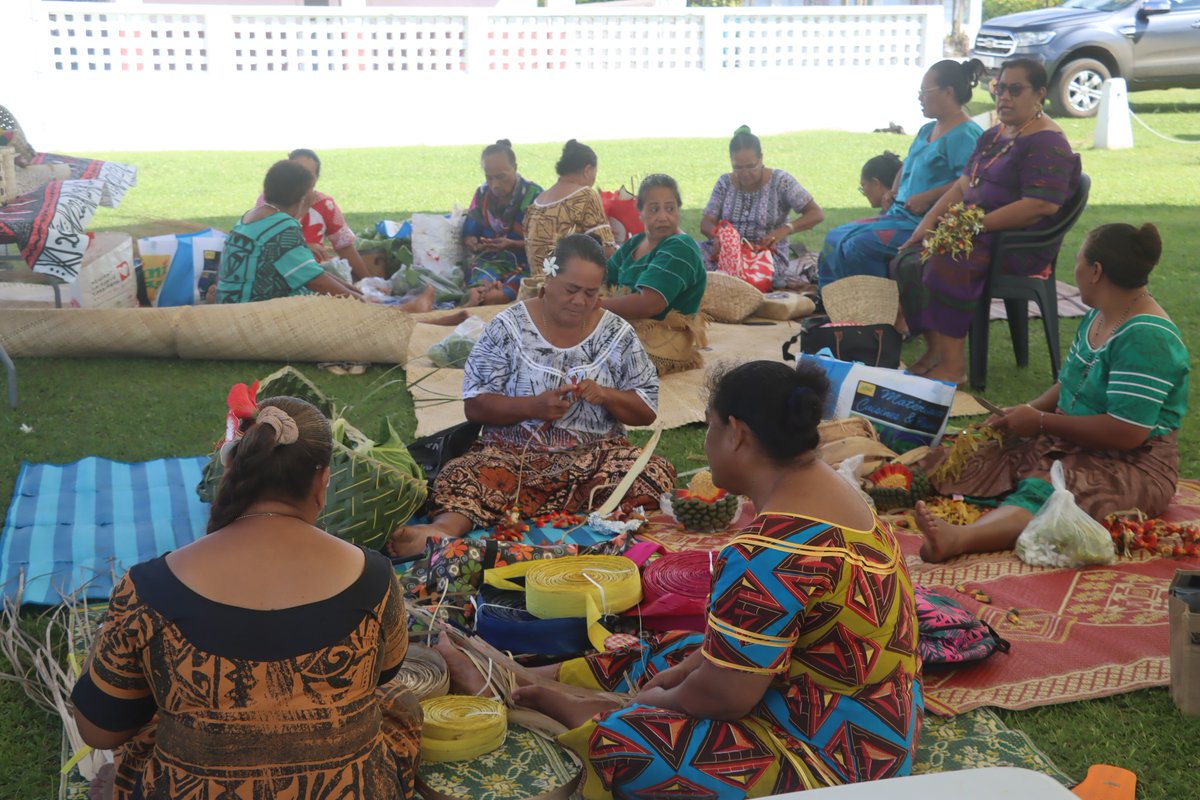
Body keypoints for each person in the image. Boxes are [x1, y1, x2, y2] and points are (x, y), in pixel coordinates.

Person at [438, 360, 922, 799]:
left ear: (736, 433)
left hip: (833, 758)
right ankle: (531, 679)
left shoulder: (767, 552)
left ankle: (567, 710)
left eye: (709, 428)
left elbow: (726, 699)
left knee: (649, 745)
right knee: (675, 650)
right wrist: (684, 673)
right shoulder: (843, 495)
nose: (707, 443)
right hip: (882, 720)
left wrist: (656, 700)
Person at [71, 396, 422, 799]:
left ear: (231, 469)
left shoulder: (147, 588)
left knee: (150, 724)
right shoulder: (373, 576)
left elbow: (99, 730)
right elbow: (385, 674)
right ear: (323, 481)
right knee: (397, 702)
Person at [386, 234, 676, 559]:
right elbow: (476, 405)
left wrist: (606, 395)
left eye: (591, 293)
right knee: (463, 474)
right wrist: (533, 406)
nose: (580, 301)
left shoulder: (617, 333)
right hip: (513, 459)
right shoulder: (508, 327)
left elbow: (646, 409)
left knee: (652, 471)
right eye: (571, 289)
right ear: (549, 278)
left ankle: (533, 515)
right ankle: (441, 532)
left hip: (596, 459)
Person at [916, 223, 1188, 562]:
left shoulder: (1148, 337)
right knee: (971, 455)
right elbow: (1070, 385)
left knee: (1052, 491)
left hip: (1133, 464)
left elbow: (1128, 431)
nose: (1074, 271)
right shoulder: (1099, 316)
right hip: (1074, 441)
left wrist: (1042, 422)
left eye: (1078, 261)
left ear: (1096, 271)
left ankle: (961, 539)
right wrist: (1024, 412)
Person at [894, 58, 1082, 384]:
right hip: (978, 232)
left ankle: (954, 367)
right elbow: (962, 186)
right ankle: (935, 350)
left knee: (947, 257)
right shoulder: (995, 134)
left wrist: (976, 227)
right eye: (1000, 88)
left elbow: (1040, 205)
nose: (1004, 97)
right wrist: (925, 226)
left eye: (1015, 89)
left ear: (1039, 94)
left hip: (1017, 241)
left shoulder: (1048, 142)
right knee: (907, 259)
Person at [817, 61, 985, 289]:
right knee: (834, 238)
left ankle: (879, 312)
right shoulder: (927, 130)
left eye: (924, 92)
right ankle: (836, 305)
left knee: (857, 246)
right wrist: (894, 189)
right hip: (898, 215)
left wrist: (927, 197)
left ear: (948, 92)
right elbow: (908, 163)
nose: (920, 98)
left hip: (927, 222)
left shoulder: (966, 135)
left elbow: (969, 183)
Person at [219, 159, 435, 310]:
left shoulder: (249, 218)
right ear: (302, 199)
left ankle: (392, 307)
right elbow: (316, 281)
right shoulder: (283, 225)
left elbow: (313, 271)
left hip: (233, 303)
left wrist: (358, 292)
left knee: (338, 298)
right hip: (254, 309)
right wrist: (364, 304)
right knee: (329, 305)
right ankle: (401, 312)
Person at [602, 174, 708, 374]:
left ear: (678, 210)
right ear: (640, 212)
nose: (663, 217)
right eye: (653, 209)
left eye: (670, 208)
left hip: (662, 343)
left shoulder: (680, 247)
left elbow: (650, 304)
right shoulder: (635, 243)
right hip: (632, 332)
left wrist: (592, 306)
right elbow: (605, 276)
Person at [700, 126, 824, 274]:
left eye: (751, 166)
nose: (745, 174)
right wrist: (718, 236)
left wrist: (785, 230)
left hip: (767, 256)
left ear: (761, 159)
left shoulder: (781, 181)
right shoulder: (725, 183)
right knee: (688, 255)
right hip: (728, 254)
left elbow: (816, 214)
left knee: (739, 274)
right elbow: (707, 221)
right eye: (737, 167)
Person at [258, 148, 376, 281]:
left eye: (307, 174)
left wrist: (369, 281)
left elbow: (345, 246)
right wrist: (304, 247)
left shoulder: (326, 205)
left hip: (315, 274)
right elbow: (263, 241)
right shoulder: (270, 200)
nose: (300, 178)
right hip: (280, 275)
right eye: (296, 171)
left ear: (314, 180)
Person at [461, 139, 543, 306]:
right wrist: (473, 242)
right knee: (479, 291)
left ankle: (494, 295)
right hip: (489, 261)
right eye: (489, 178)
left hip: (526, 264)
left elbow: (545, 244)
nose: (495, 185)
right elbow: (470, 230)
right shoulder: (483, 194)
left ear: (515, 168)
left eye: (501, 177)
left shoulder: (536, 197)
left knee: (496, 297)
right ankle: (481, 292)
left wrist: (512, 244)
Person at [523, 140, 616, 279]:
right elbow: (606, 251)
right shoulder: (585, 196)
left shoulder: (536, 203)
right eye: (594, 175)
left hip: (535, 291)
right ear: (587, 170)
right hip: (568, 290)